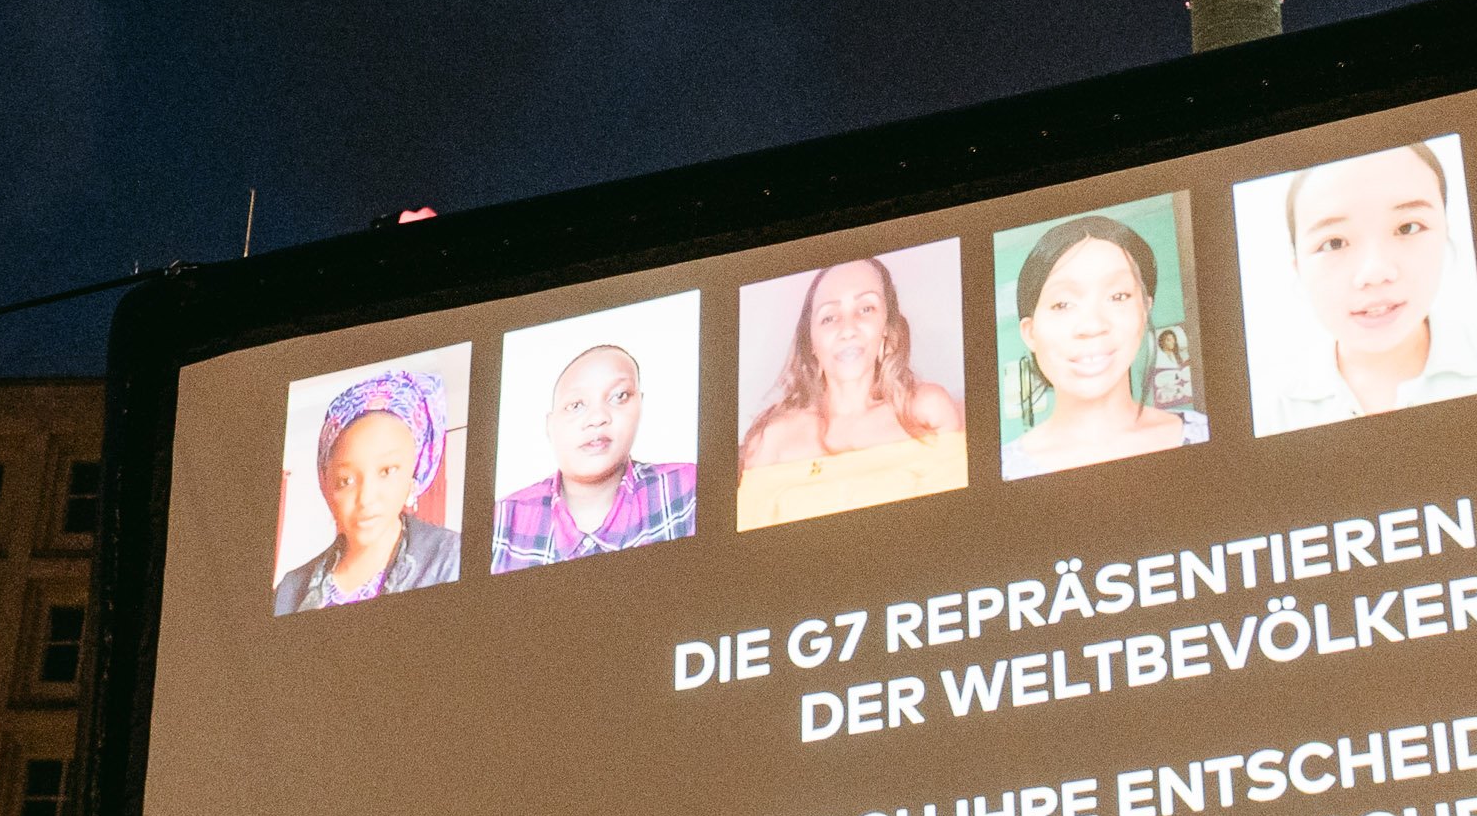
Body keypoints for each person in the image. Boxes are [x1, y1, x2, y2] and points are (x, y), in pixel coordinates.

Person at [1257, 146, 1477, 430]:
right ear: (1299, 269)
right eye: (1333, 243)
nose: (1375, 272)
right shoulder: (1272, 412)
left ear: (1446, 235)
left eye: (1408, 227)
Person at [734, 257, 968, 529]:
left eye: (866, 308)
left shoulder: (927, 410)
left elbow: (955, 527)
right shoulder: (771, 438)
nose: (847, 329)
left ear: (887, 330)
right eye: (829, 317)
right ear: (811, 342)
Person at [999, 216, 1206, 478]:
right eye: (1062, 304)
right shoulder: (1004, 470)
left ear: (1144, 312)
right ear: (1030, 333)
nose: (1092, 325)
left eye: (1118, 296)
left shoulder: (1202, 433)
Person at [491, 343, 696, 569]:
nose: (598, 417)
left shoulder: (690, 491)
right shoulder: (500, 523)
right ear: (550, 426)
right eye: (576, 405)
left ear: (640, 406)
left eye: (620, 396)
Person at [273, 371, 462, 611]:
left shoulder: (451, 558)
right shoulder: (290, 591)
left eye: (387, 471)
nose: (366, 498)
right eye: (346, 480)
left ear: (413, 476)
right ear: (328, 486)